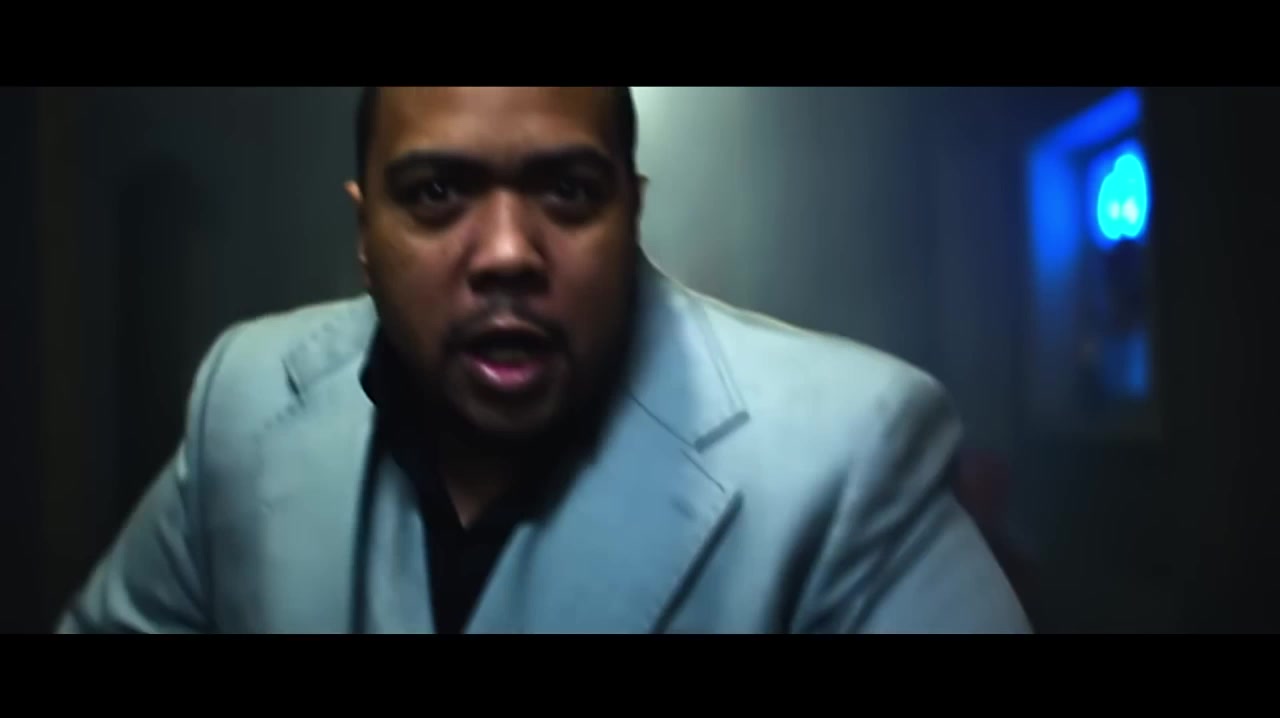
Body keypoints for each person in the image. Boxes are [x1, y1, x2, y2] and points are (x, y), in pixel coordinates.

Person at [57, 87, 1029, 634]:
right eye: (436, 193)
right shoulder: (244, 398)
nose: (507, 253)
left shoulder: (849, 455)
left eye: (566, 191)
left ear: (631, 211)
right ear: (365, 231)